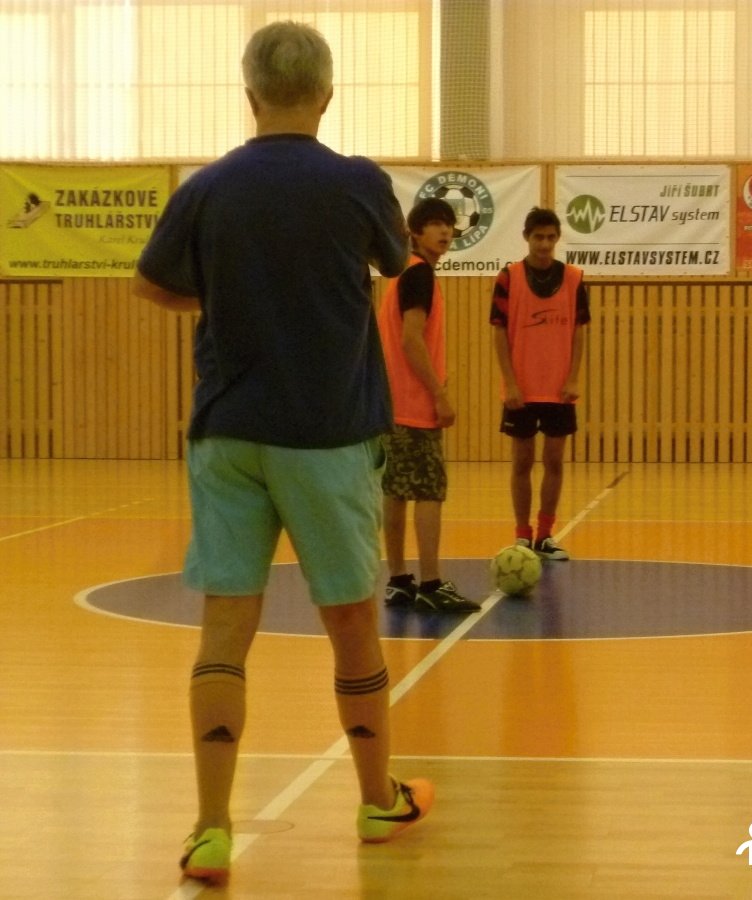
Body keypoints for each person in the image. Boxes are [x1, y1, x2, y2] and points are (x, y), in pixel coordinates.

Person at [132, 21, 432, 887]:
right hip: (327, 435)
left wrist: (223, 298)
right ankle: (376, 801)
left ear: (249, 94)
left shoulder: (207, 187)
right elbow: (394, 260)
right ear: (328, 95)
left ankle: (210, 828)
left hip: (227, 432)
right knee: (350, 621)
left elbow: (150, 282)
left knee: (226, 627)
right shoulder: (358, 182)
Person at [378, 198, 481, 613]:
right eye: (435, 224)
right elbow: (410, 339)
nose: (444, 232)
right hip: (414, 405)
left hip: (391, 403)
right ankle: (432, 583)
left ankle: (399, 580)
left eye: (448, 225)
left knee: (396, 491)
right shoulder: (419, 274)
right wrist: (438, 393)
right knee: (429, 490)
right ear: (416, 233)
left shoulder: (401, 274)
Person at [490, 207, 591, 560]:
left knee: (554, 461)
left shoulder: (574, 278)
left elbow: (579, 331)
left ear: (557, 238)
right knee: (522, 462)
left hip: (559, 389)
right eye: (538, 237)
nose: (544, 244)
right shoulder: (509, 278)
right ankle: (522, 535)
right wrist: (510, 382)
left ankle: (546, 535)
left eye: (550, 237)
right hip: (521, 388)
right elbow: (499, 332)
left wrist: (574, 377)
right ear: (526, 238)